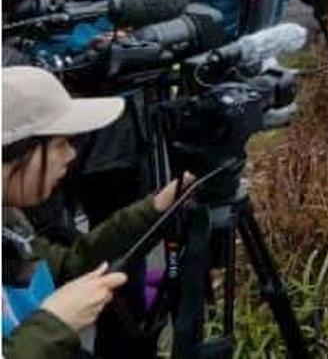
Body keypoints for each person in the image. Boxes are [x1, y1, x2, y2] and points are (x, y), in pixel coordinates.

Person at [1, 67, 195, 358]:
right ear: (18, 151)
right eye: (60, 144)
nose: (71, 155)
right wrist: (56, 322)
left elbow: (68, 265)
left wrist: (157, 207)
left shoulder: (10, 222)